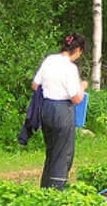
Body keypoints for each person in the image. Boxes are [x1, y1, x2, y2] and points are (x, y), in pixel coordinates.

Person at [32, 33, 88, 189]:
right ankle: (57, 191)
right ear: (77, 49)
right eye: (80, 53)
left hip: (46, 109)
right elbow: (76, 98)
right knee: (63, 154)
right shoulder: (70, 68)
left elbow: (35, 85)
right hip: (62, 110)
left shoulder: (49, 60)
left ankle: (44, 188)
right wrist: (82, 87)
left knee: (51, 151)